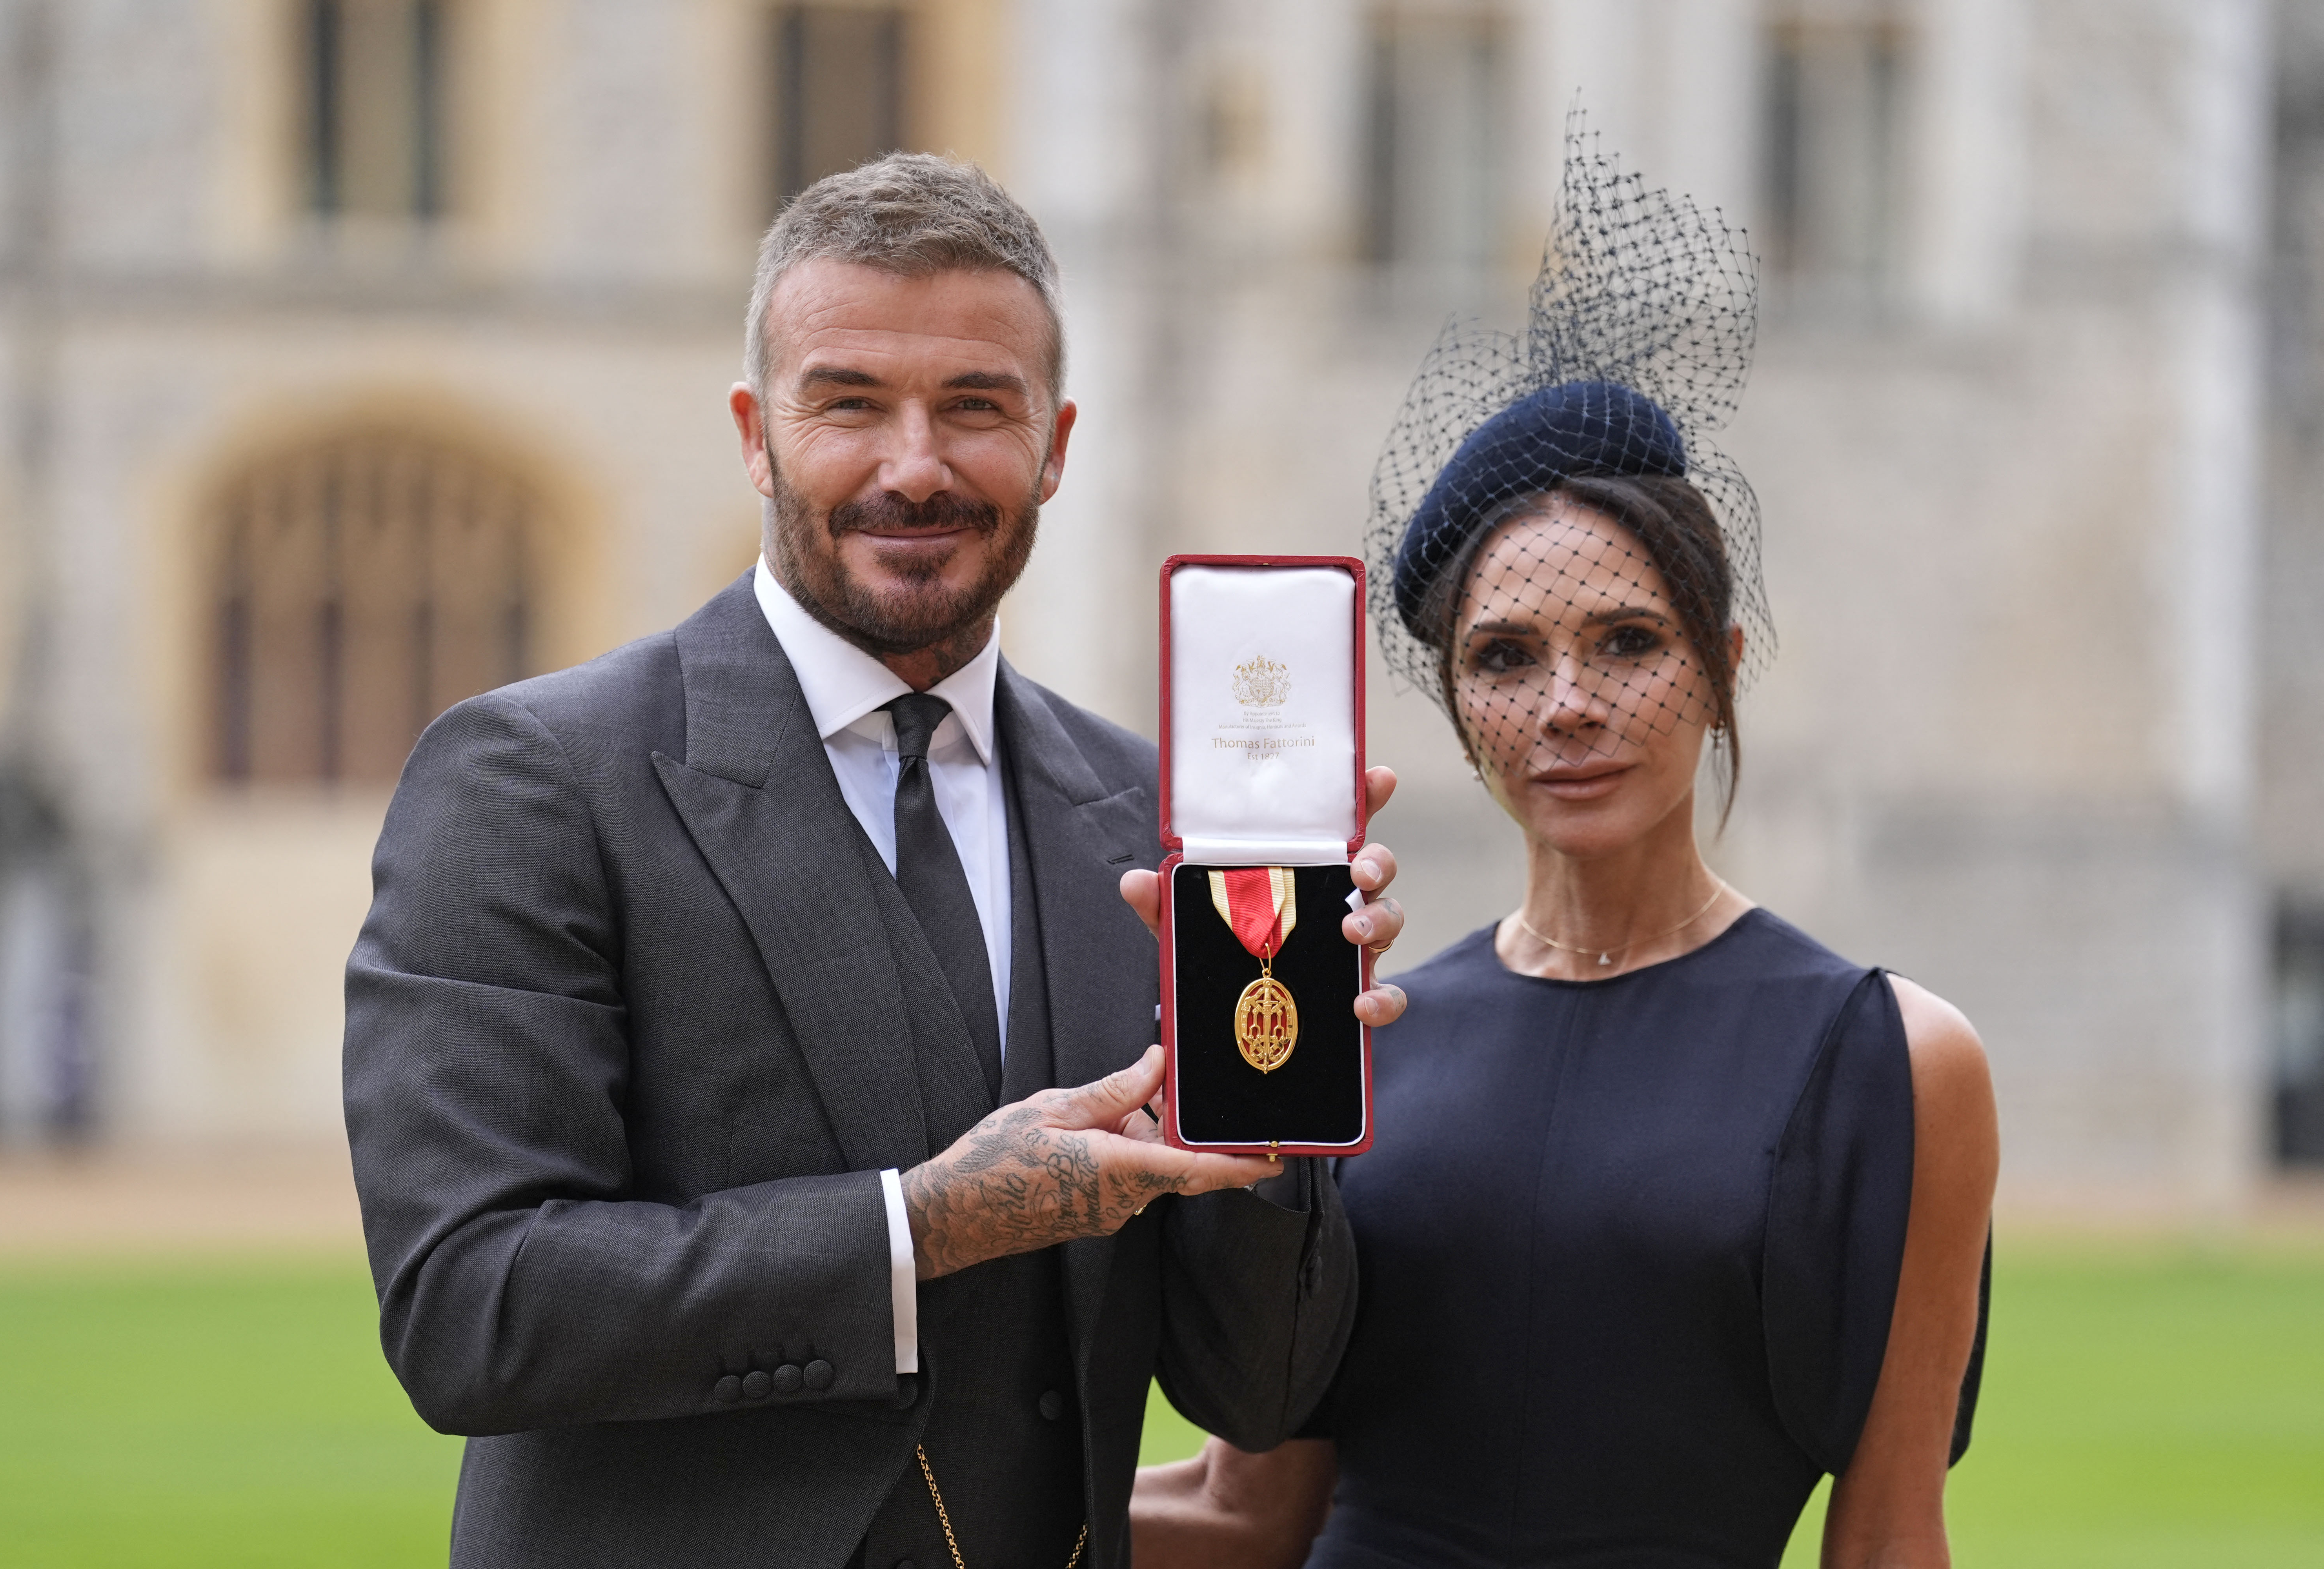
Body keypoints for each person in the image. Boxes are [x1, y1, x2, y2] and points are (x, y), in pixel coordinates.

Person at [342, 153, 1407, 1569]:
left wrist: (1273, 1100)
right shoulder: (536, 780)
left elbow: (1257, 1391)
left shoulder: (1156, 817)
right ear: (756, 433)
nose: (917, 466)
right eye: (849, 403)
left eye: (977, 407)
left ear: (1057, 445)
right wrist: (927, 1229)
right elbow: (472, 1310)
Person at [1130, 133, 1996, 1569]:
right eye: (1506, 658)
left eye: (1628, 643)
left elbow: (1893, 1535)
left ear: (1721, 664)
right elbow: (1249, 1512)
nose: (1568, 706)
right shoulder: (1360, 1027)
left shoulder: (1900, 1063)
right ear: (1460, 706)